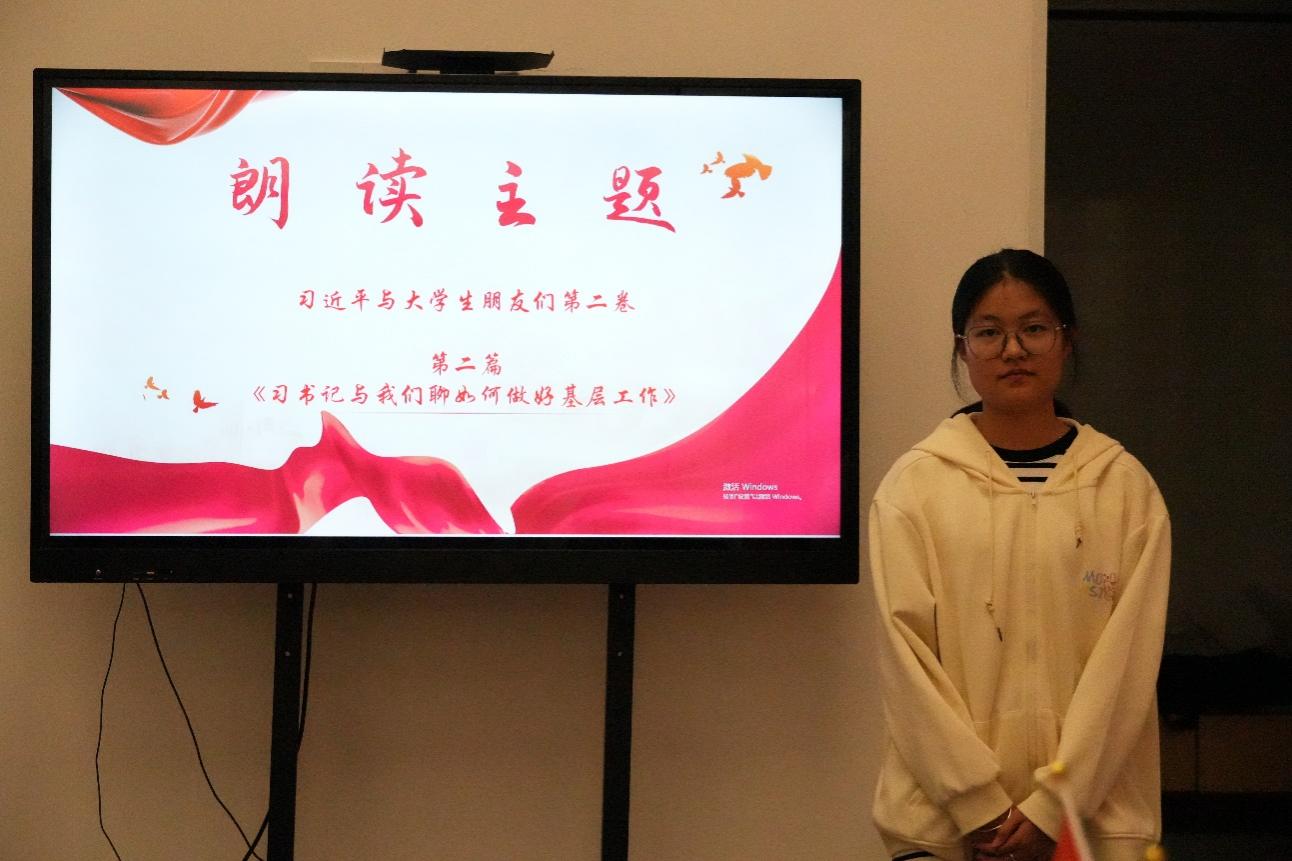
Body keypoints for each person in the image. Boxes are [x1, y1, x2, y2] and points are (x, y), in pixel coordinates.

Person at [868, 249, 1170, 861]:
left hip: (1095, 826)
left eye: (1034, 329)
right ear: (962, 349)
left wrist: (1055, 805)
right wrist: (978, 804)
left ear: (1067, 339)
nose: (1013, 351)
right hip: (942, 827)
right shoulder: (915, 486)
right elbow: (907, 663)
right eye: (989, 333)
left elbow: (1128, 669)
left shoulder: (1124, 488)